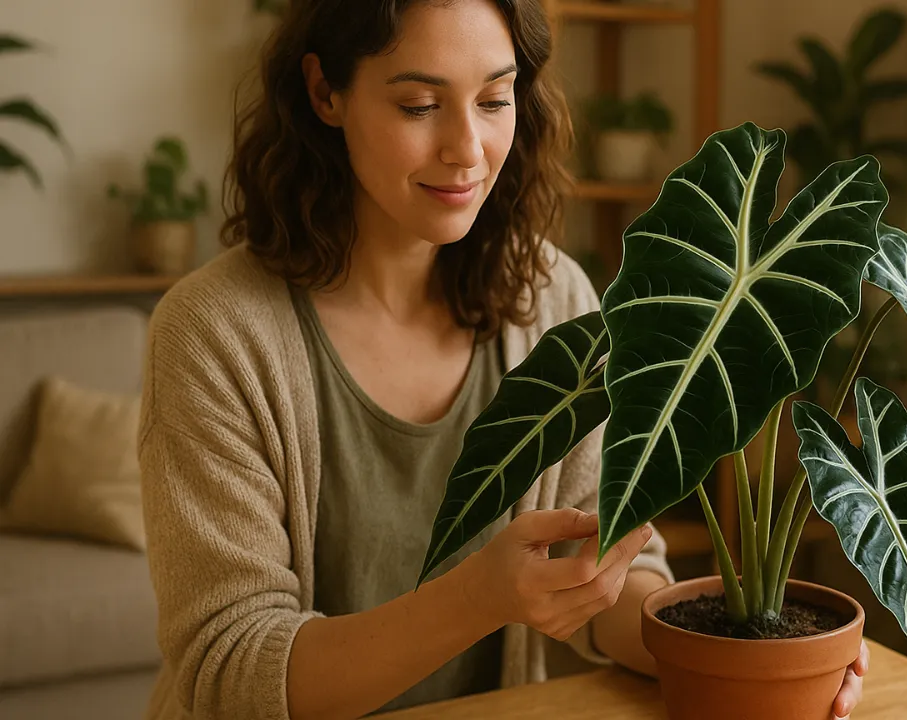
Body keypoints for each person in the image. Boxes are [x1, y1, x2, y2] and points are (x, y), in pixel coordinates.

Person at [138, 0, 868, 718]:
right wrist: (477, 598)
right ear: (326, 92)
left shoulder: (554, 299)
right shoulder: (214, 335)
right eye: (421, 105)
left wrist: (758, 664)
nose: (468, 148)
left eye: (494, 99)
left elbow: (611, 578)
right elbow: (231, 673)